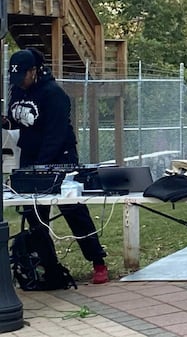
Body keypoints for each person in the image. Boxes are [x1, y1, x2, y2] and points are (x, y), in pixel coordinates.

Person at [4, 48, 109, 284]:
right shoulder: (17, 90)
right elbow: (19, 120)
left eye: (23, 76)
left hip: (60, 156)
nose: (20, 82)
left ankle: (98, 261)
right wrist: (6, 122)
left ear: (34, 71)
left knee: (73, 209)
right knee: (34, 214)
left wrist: (42, 167)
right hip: (30, 157)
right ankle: (49, 265)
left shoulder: (53, 94)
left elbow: (55, 133)